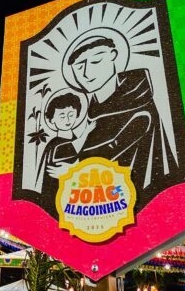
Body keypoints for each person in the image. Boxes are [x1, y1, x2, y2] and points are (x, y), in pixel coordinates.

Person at [48, 35, 175, 192]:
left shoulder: (137, 99)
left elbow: (115, 145)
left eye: (96, 61)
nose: (86, 73)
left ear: (113, 55)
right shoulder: (93, 110)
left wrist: (75, 169)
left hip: (149, 190)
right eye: (79, 67)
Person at [37, 92, 82, 197]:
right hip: (59, 194)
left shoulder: (79, 140)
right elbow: (50, 176)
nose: (67, 120)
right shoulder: (54, 146)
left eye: (71, 115)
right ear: (52, 119)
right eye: (62, 116)